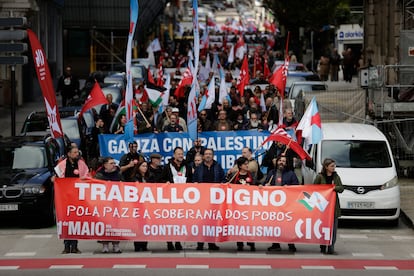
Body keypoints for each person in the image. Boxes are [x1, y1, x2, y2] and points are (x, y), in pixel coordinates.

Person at [53, 145, 89, 254]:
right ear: (68, 154)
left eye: (77, 152)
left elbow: (87, 176)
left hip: (76, 197)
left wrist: (83, 179)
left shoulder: (81, 164)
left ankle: (74, 246)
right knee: (65, 221)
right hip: (64, 198)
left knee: (75, 221)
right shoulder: (62, 165)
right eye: (74, 152)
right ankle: (66, 245)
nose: (76, 154)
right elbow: (56, 178)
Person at [264, 155, 299, 253]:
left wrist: (290, 188)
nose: (281, 162)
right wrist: (265, 185)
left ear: (286, 163)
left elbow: (297, 187)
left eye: (284, 161)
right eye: (280, 160)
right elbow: (265, 185)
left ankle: (291, 244)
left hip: (287, 204)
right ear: (276, 162)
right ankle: (276, 244)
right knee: (275, 224)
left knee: (288, 225)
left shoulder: (291, 174)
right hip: (274, 204)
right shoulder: (271, 173)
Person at [160, 147, 193, 251]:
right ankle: (169, 242)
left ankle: (178, 241)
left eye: (182, 154)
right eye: (178, 154)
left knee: (179, 221)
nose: (180, 156)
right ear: (174, 155)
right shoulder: (167, 167)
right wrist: (166, 183)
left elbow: (191, 179)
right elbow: (160, 179)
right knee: (170, 220)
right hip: (170, 197)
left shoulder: (187, 166)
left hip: (183, 197)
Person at [193, 148, 225, 251]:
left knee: (212, 221)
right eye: (206, 154)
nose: (208, 156)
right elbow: (194, 180)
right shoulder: (199, 168)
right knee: (201, 221)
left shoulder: (218, 166)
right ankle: (200, 243)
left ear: (213, 156)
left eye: (210, 154)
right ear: (203, 156)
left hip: (214, 199)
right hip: (201, 198)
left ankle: (212, 243)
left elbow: (223, 179)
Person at [313, 158, 344, 255]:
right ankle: (323, 245)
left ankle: (331, 247)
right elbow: (314, 188)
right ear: (326, 167)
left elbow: (341, 188)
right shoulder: (320, 176)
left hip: (333, 206)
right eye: (331, 166)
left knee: (333, 228)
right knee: (323, 227)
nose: (333, 168)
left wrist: (334, 188)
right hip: (322, 206)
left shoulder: (336, 176)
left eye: (334, 166)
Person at [227, 157, 256, 252]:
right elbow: (227, 184)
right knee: (238, 224)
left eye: (247, 163)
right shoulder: (235, 175)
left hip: (248, 205)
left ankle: (251, 243)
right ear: (240, 166)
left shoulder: (250, 175)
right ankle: (239, 243)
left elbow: (255, 185)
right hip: (237, 205)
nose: (247, 165)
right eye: (245, 164)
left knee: (249, 224)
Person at [94, 157, 122, 253]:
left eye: (114, 163)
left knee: (116, 224)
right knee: (104, 223)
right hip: (104, 203)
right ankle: (105, 245)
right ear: (105, 165)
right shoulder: (99, 175)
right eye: (111, 163)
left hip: (115, 203)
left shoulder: (118, 174)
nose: (113, 165)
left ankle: (116, 245)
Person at [131, 160, 151, 251]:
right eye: (143, 166)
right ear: (138, 167)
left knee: (146, 225)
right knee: (138, 225)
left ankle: (144, 244)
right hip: (138, 204)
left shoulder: (149, 177)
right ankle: (137, 244)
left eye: (146, 166)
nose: (145, 168)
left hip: (147, 204)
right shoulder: (134, 178)